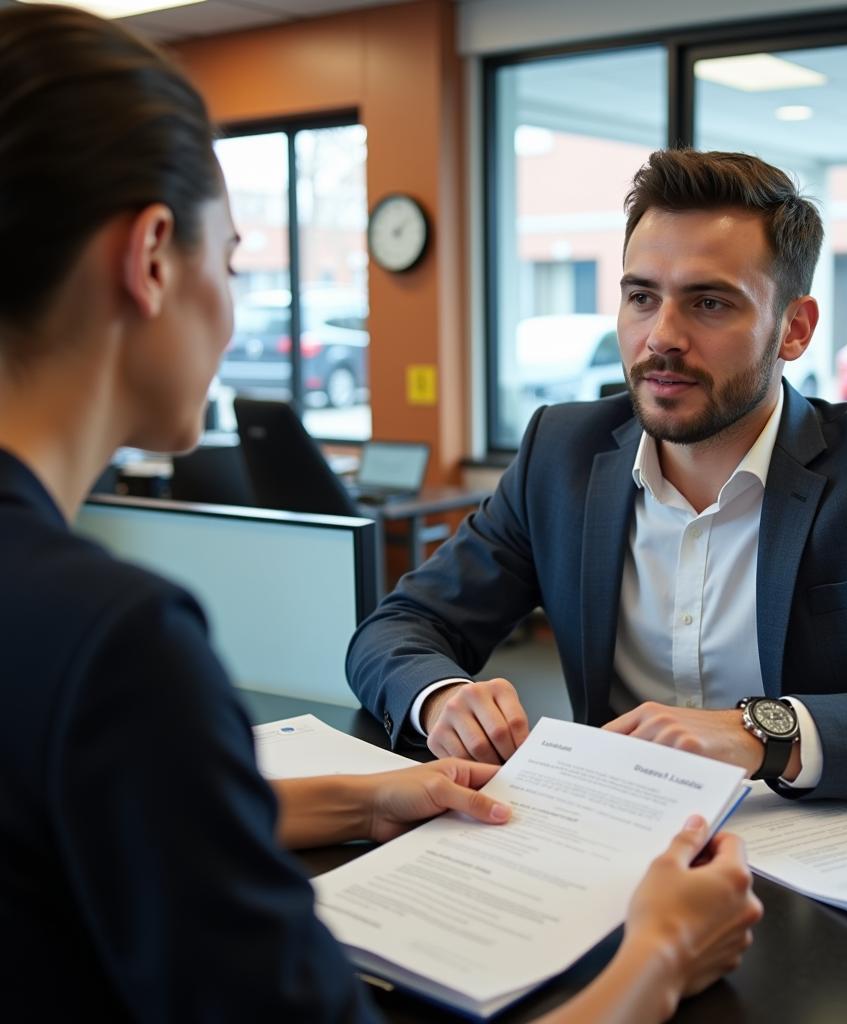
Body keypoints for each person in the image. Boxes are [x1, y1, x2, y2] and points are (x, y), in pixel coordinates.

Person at [0, 6, 761, 1020]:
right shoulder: (115, 641)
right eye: (230, 262)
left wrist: (363, 795)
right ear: (148, 259)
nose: (231, 307)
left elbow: (86, 819)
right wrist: (660, 954)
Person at [348, 148, 847, 802]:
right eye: (642, 297)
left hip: (824, 868)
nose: (661, 336)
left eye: (709, 304)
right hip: (605, 848)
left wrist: (764, 734)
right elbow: (398, 628)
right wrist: (440, 698)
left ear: (794, 330)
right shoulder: (562, 453)